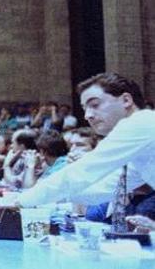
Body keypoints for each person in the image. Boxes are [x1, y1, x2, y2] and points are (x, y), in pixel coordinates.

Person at [8, 72, 155, 232]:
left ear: (126, 100)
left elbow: (82, 172)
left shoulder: (141, 122)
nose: (87, 116)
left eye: (95, 105)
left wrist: (19, 202)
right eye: (85, 108)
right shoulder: (139, 147)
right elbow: (100, 191)